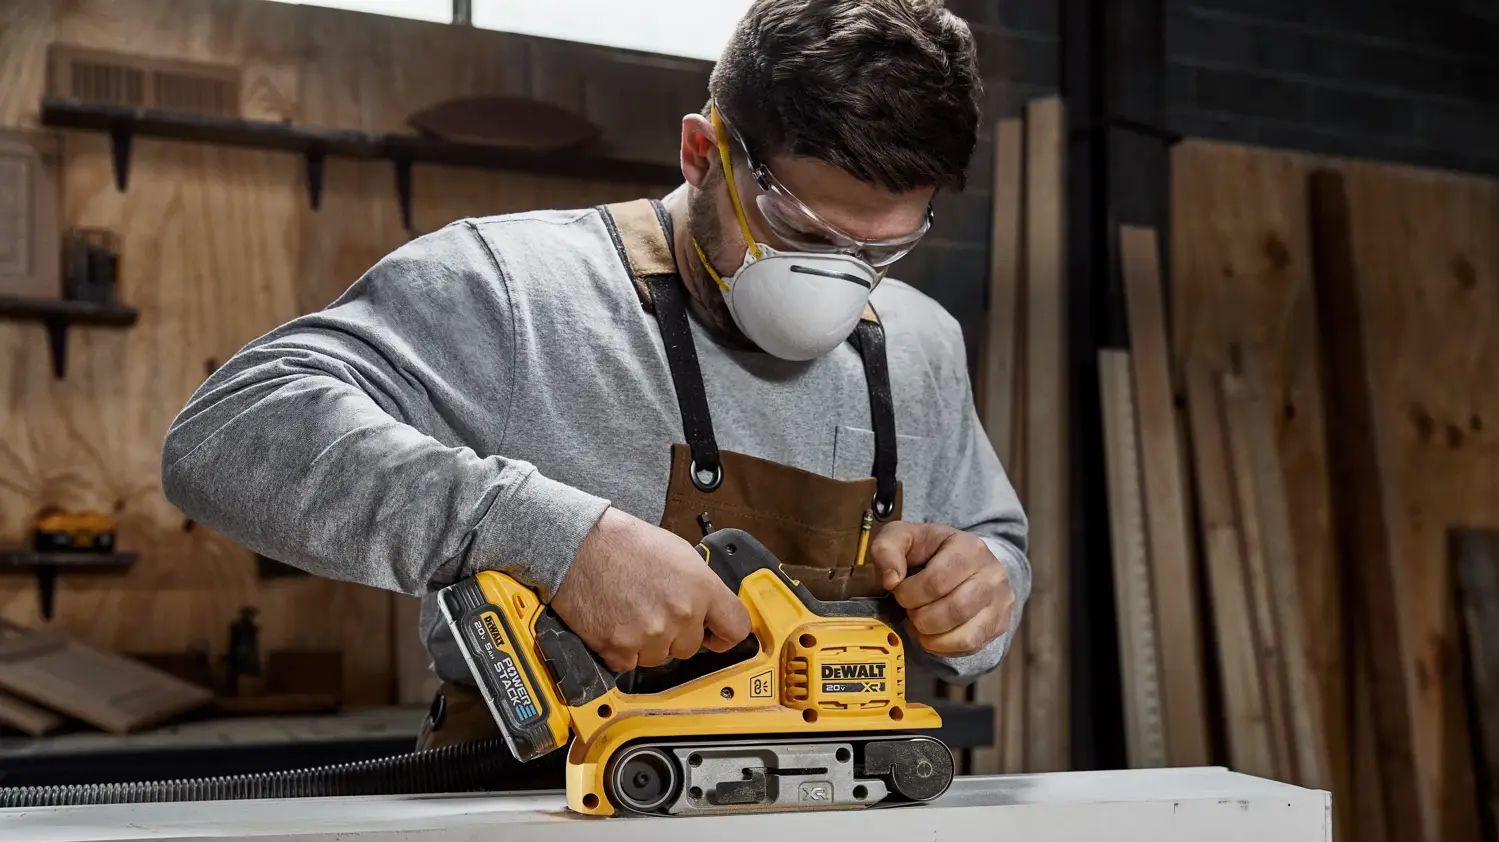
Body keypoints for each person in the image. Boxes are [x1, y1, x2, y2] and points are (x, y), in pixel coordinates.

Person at [162, 0, 1029, 751]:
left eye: (880, 248)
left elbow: (995, 540)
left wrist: (982, 586)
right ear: (702, 154)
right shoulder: (514, 288)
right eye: (801, 233)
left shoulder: (920, 343)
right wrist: (554, 539)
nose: (839, 279)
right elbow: (230, 434)